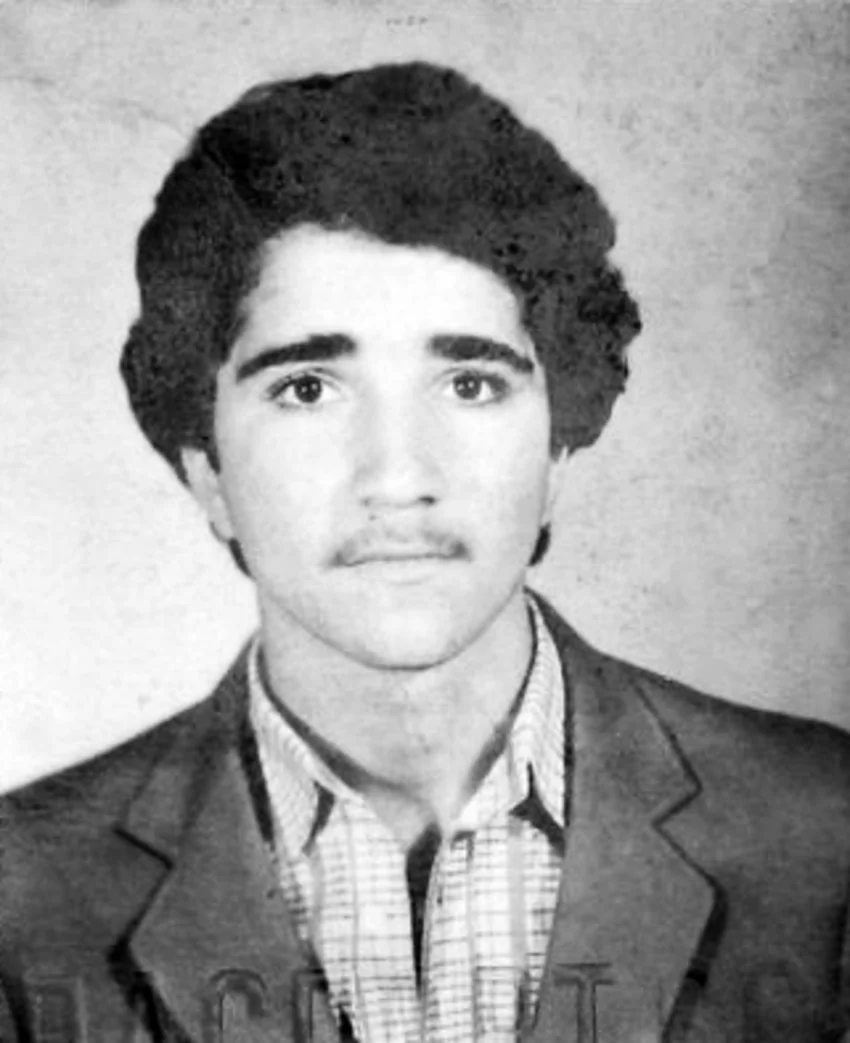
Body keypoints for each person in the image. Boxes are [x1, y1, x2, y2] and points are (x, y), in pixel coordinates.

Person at [1, 62, 848, 1043]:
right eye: (308, 388)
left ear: (557, 447)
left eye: (470, 384)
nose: (398, 475)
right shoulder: (20, 894)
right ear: (206, 468)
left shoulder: (826, 831)